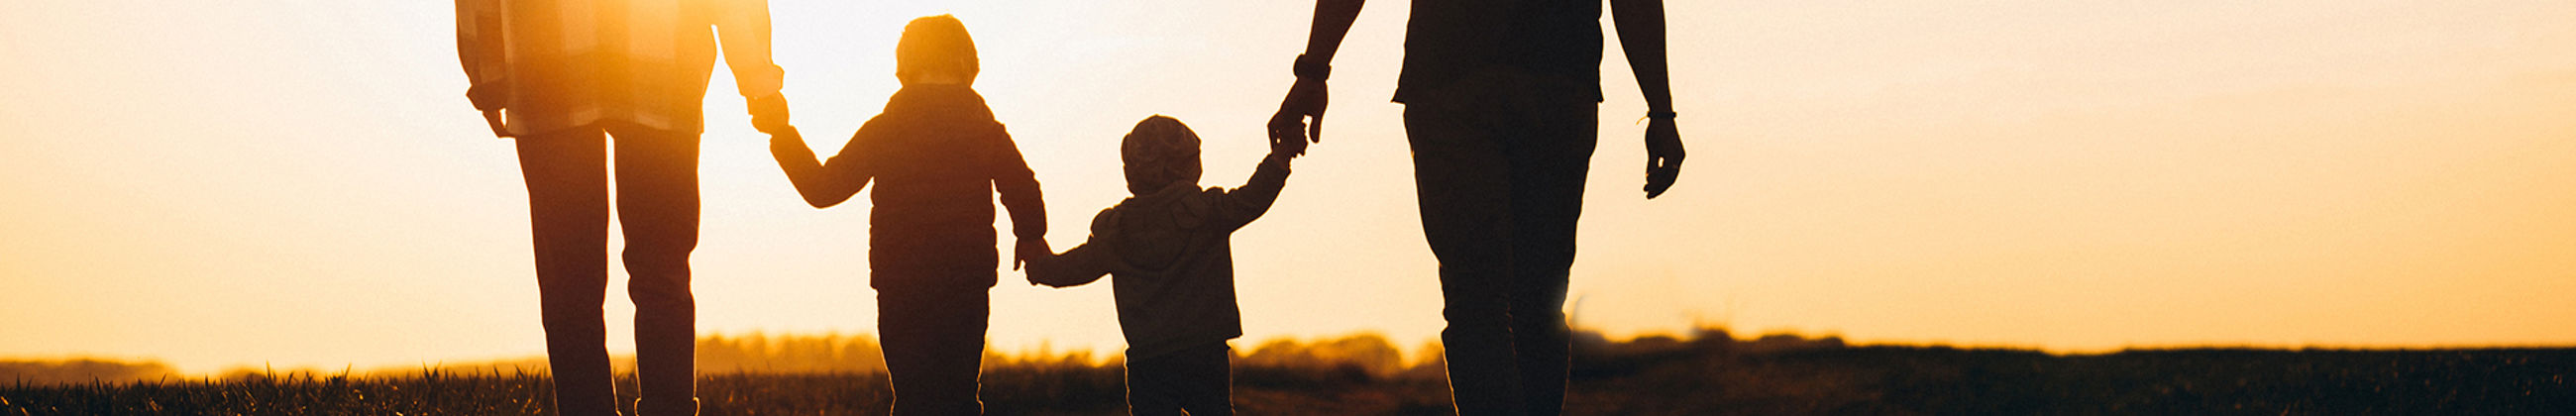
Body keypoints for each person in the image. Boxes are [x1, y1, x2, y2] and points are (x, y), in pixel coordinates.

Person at [1266, 0, 1686, 414]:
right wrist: (1661, 112)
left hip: (1454, 81)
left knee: (1477, 300)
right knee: (1536, 300)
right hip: (1553, 83)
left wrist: (1314, 72)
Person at [454, 0, 790, 414]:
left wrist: (487, 74)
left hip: (545, 66)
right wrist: (758, 79)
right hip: (662, 64)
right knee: (661, 273)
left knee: (569, 284)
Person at [764, 15, 1045, 416]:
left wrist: (782, 134)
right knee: (960, 394)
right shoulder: (984, 129)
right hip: (965, 279)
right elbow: (1023, 186)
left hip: (902, 281)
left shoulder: (886, 128)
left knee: (913, 396)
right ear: (968, 64)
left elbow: (823, 189)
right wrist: (1032, 237)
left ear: (903, 67)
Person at [1023, 116, 1303, 416]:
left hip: (1149, 359)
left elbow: (1073, 268)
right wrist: (1280, 156)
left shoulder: (1116, 231)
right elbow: (1254, 197)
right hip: (1204, 350)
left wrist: (1037, 262)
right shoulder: (1208, 212)